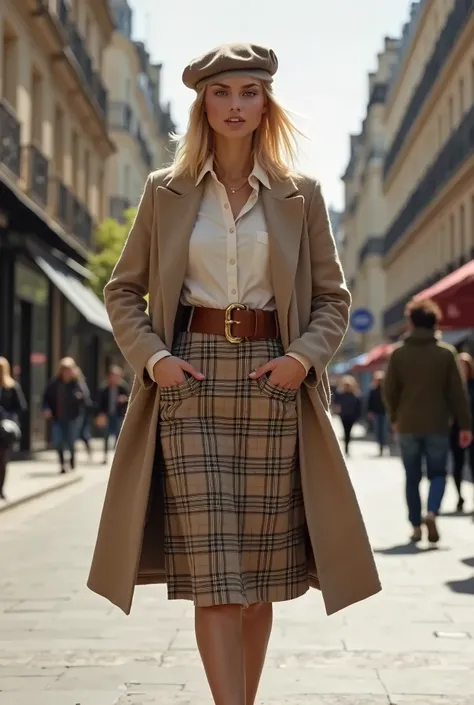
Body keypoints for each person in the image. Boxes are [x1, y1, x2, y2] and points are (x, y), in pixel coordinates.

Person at [88, 43, 380, 705]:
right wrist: (156, 360)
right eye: (222, 93)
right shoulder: (163, 191)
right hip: (188, 382)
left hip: (272, 380)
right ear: (203, 105)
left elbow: (334, 297)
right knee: (216, 575)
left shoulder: (300, 195)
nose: (235, 106)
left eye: (248, 92)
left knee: (260, 576)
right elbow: (122, 289)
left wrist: (301, 359)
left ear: (266, 103)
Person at [384, 299, 472, 544]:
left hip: (408, 424)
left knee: (412, 477)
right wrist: (465, 425)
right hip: (438, 424)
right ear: (435, 323)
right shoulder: (445, 353)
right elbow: (458, 393)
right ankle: (432, 512)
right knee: (438, 473)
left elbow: (389, 390)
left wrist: (394, 417)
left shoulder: (399, 354)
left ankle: (415, 526)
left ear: (411, 323)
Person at [42, 357, 86, 473]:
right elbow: (46, 398)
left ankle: (72, 459)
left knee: (71, 441)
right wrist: (46, 409)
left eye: (68, 370)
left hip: (73, 418)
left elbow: (85, 399)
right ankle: (62, 464)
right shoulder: (54, 384)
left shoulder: (77, 384)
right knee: (58, 441)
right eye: (64, 369)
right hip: (58, 418)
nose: (66, 372)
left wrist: (79, 397)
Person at [449, 352, 474, 512]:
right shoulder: (451, 387)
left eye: (464, 366)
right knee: (457, 465)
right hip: (455, 430)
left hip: (473, 429)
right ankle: (459, 496)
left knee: (473, 465)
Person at [0, 357, 27, 500]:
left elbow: (21, 407)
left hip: (4, 430)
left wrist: (6, 414)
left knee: (2, 460)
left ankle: (1, 489)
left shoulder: (12, 387)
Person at [96, 365, 129, 464]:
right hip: (107, 415)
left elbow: (130, 399)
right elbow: (99, 402)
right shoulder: (104, 388)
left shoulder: (123, 387)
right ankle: (105, 456)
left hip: (119, 415)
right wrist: (100, 414)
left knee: (118, 436)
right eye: (113, 376)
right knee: (106, 435)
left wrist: (124, 399)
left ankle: (117, 458)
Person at [334, 375, 362, 455]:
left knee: (349, 431)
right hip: (343, 416)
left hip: (352, 416)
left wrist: (358, 416)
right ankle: (346, 447)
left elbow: (359, 406)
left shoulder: (356, 395)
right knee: (345, 431)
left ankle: (347, 445)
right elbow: (336, 403)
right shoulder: (340, 394)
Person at [367, 370, 389, 456]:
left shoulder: (386, 390)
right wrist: (369, 412)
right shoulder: (373, 390)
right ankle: (380, 445)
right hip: (376, 413)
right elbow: (370, 402)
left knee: (384, 430)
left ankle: (383, 445)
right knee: (377, 430)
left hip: (385, 413)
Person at [75, 366, 94, 462]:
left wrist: (80, 396)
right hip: (77, 413)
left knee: (82, 433)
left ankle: (89, 449)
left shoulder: (81, 384)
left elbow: (86, 399)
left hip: (82, 413)